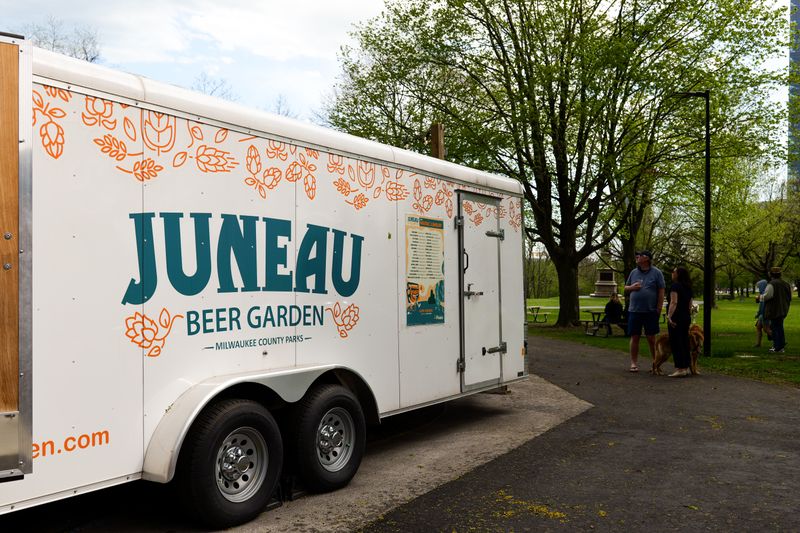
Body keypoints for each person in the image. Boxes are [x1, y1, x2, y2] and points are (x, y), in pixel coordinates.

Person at [623, 250, 665, 372]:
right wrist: (632, 287)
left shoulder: (657, 273)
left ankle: (655, 363)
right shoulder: (633, 272)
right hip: (634, 310)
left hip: (650, 311)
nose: (637, 257)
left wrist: (659, 308)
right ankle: (633, 363)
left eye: (640, 255)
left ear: (647, 258)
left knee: (651, 338)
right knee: (634, 337)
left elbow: (661, 291)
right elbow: (626, 287)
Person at [665, 267, 693, 377]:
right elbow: (690, 304)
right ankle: (686, 366)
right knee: (684, 341)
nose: (672, 273)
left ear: (678, 274)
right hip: (685, 316)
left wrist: (669, 316)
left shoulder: (675, 286)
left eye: (673, 272)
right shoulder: (688, 287)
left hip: (676, 317)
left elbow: (674, 302)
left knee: (676, 342)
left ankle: (680, 368)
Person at [763, 267, 792, 353]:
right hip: (784, 309)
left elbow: (767, 296)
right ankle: (781, 346)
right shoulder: (786, 284)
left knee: (775, 328)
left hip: (774, 309)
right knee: (779, 327)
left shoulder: (772, 284)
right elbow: (789, 297)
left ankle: (777, 347)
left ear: (771, 274)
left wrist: (759, 297)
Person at [753, 279, 771, 348]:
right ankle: (758, 344)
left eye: (759, 286)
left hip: (765, 314)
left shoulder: (764, 294)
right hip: (762, 314)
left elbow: (762, 307)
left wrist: (758, 314)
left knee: (766, 329)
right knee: (758, 327)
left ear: (762, 286)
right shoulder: (763, 294)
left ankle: (779, 342)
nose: (758, 288)